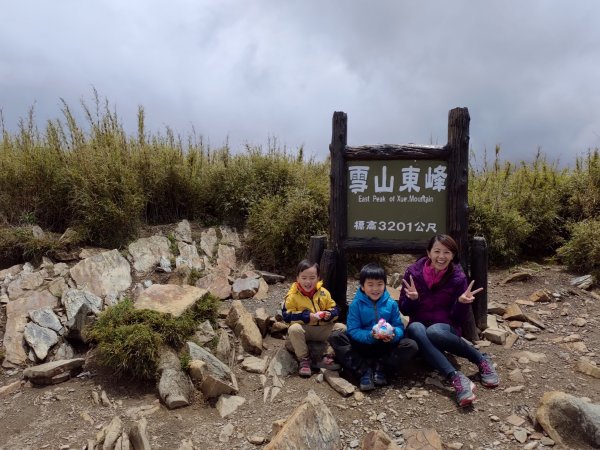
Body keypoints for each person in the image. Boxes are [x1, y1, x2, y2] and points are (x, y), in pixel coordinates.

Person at [399, 234, 499, 407]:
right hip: (421, 330)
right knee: (415, 327)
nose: (441, 256)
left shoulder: (458, 278)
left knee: (435, 331)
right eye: (437, 251)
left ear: (453, 255)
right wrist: (412, 299)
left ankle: (481, 359)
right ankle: (456, 378)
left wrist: (461, 303)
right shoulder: (413, 273)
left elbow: (457, 319)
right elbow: (405, 310)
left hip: (445, 331)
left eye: (447, 252)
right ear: (428, 253)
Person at [329, 263, 418, 391]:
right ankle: (363, 371)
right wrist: (370, 336)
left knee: (410, 345)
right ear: (362, 287)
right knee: (336, 337)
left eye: (379, 284)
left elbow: (398, 326)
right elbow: (353, 330)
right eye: (370, 284)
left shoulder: (391, 304)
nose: (375, 289)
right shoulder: (356, 304)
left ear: (385, 285)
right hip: (362, 346)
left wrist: (393, 335)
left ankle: (380, 368)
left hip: (385, 346)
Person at [282, 259, 346, 377]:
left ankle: (327, 357)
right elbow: (286, 316)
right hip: (305, 329)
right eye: (304, 278)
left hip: (322, 329)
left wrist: (329, 315)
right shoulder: (292, 296)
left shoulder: (324, 293)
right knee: (294, 329)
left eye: (312, 278)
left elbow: (336, 309)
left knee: (342, 328)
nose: (308, 281)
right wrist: (306, 316)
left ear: (318, 278)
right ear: (297, 278)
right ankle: (304, 360)